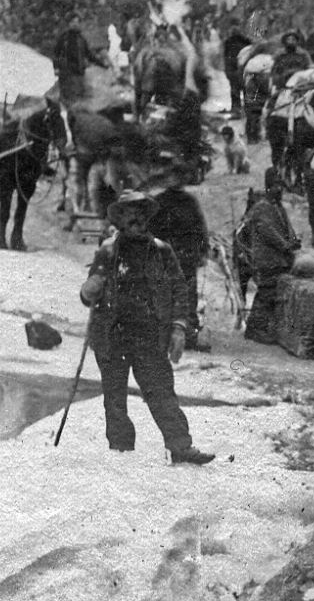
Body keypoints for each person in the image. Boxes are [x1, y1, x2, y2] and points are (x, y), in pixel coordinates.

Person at [78, 190, 215, 464]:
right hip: (112, 334)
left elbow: (180, 289)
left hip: (149, 334)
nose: (136, 219)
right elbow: (89, 294)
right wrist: (88, 289)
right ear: (120, 219)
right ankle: (121, 451)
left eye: (141, 213)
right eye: (130, 213)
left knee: (161, 391)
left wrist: (179, 327)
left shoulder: (162, 251)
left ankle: (180, 447)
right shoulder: (107, 251)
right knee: (114, 398)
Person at [149, 158, 211, 351]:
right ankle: (163, 332)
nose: (175, 180)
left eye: (179, 176)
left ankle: (188, 333)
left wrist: (203, 250)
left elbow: (200, 228)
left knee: (188, 295)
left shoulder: (190, 202)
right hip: (165, 258)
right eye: (172, 176)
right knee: (164, 294)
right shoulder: (158, 202)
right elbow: (151, 232)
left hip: (187, 257)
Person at [243, 167, 301, 344]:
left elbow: (287, 228)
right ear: (268, 186)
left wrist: (294, 240)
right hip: (267, 258)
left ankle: (261, 326)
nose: (280, 189)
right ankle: (255, 329)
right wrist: (285, 246)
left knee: (272, 292)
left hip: (279, 257)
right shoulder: (261, 208)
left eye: (281, 186)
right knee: (266, 292)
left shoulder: (278, 208)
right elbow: (267, 231)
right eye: (276, 186)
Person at [52, 13, 103, 106]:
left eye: (77, 22)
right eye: (72, 22)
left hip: (79, 74)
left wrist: (102, 64)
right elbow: (56, 54)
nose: (75, 24)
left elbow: (89, 55)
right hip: (67, 75)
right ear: (69, 24)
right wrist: (56, 68)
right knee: (68, 100)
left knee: (80, 100)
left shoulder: (81, 39)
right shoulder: (64, 38)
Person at [221, 17, 254, 116]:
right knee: (234, 89)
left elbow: (251, 53)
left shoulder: (246, 41)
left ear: (240, 27)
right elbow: (226, 56)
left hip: (244, 69)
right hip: (232, 69)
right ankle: (236, 110)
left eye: (237, 25)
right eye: (233, 26)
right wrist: (227, 70)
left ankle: (248, 111)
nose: (235, 28)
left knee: (246, 89)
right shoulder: (228, 42)